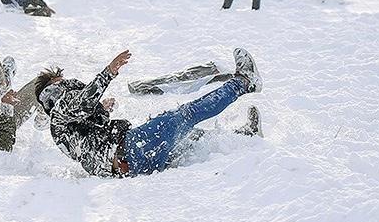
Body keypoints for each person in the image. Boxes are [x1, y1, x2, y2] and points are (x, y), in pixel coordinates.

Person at [34, 48, 263, 177]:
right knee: (185, 115)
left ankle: (244, 137)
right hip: (131, 150)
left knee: (190, 138)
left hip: (129, 163)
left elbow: (89, 139)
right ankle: (243, 83)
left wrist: (101, 111)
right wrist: (109, 71)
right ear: (54, 88)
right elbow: (82, 102)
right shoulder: (59, 112)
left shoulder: (62, 126)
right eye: (62, 82)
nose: (69, 84)